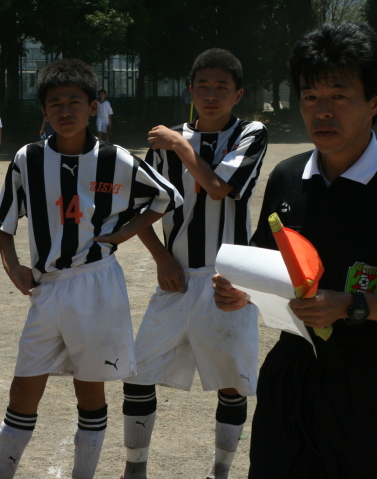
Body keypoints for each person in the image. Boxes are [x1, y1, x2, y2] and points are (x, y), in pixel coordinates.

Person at [213, 23, 377, 478]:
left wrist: (349, 305)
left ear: (375, 101)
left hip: (373, 385)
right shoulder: (287, 178)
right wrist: (239, 291)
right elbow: (268, 265)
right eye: (309, 96)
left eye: (339, 96)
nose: (322, 111)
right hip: (291, 374)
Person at [0, 58, 180, 479]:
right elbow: (3, 221)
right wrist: (12, 266)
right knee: (23, 391)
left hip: (97, 286)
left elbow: (166, 196)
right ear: (44, 111)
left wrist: (125, 232)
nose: (65, 110)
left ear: (93, 107)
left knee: (90, 391)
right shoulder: (28, 158)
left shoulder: (115, 159)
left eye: (74, 101)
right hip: (47, 288)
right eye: (55, 103)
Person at [121, 48, 267, 479]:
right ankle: (135, 469)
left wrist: (181, 144)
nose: (211, 94)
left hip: (229, 282)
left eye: (222, 86)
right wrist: (161, 256)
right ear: (190, 91)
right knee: (138, 374)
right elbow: (140, 208)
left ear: (238, 94)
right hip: (177, 278)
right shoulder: (166, 146)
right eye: (203, 85)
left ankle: (220, 471)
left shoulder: (250, 133)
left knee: (232, 383)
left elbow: (218, 187)